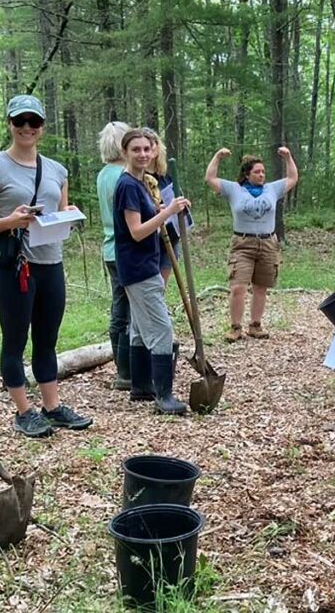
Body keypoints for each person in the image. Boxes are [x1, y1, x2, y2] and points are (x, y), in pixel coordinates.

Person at [0, 94, 93, 438]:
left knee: (47, 338)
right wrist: (9, 220)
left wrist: (69, 215)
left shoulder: (57, 170)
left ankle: (52, 407)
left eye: (34, 122)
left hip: (50, 262)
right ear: (9, 123)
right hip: (14, 266)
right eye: (20, 121)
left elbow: (59, 213)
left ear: (42, 127)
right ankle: (24, 411)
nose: (27, 128)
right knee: (15, 339)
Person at [113, 129, 191, 414]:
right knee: (160, 328)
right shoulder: (128, 186)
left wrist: (172, 208)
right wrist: (167, 212)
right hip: (139, 267)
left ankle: (142, 386)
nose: (143, 154)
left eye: (147, 149)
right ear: (125, 152)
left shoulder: (142, 182)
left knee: (138, 327)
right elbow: (136, 232)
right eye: (136, 149)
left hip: (141, 264)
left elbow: (150, 215)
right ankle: (164, 396)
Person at [204, 146, 299, 341]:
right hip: (242, 243)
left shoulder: (272, 189)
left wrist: (288, 158)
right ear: (247, 174)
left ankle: (255, 325)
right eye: (257, 171)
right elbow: (210, 179)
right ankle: (235, 327)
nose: (261, 175)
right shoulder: (234, 189)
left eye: (263, 171)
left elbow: (292, 178)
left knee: (261, 286)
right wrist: (218, 157)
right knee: (238, 286)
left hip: (267, 242)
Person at [96, 121, 133, 391]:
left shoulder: (103, 174)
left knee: (119, 306)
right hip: (123, 248)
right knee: (123, 310)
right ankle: (125, 371)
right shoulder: (123, 176)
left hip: (111, 248)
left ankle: (125, 369)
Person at [141, 127, 183, 284]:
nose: (150, 150)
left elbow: (174, 196)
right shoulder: (138, 178)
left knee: (160, 288)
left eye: (153, 144)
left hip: (171, 237)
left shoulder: (165, 175)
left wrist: (182, 204)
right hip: (151, 241)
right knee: (151, 289)